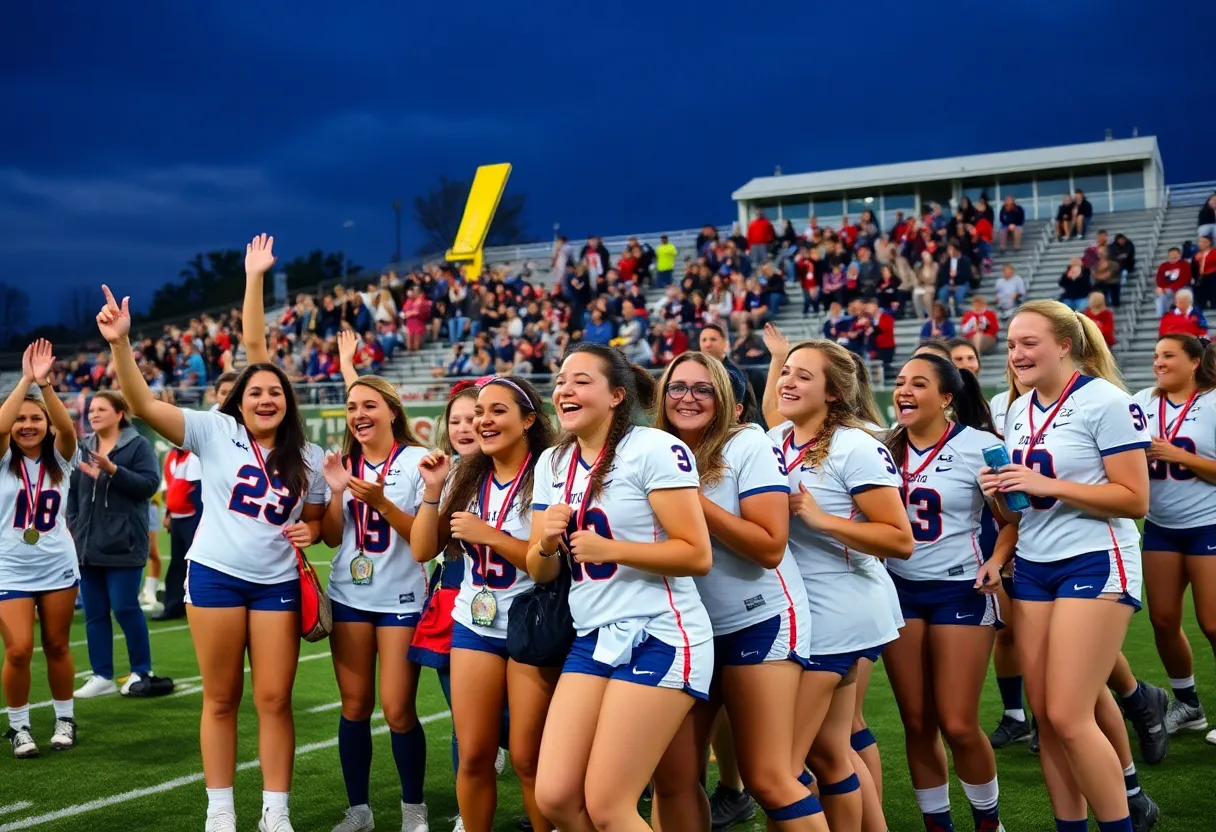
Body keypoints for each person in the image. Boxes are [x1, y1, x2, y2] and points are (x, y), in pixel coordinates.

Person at [96, 235, 331, 832]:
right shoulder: (211, 431)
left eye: (276, 391)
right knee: (222, 698)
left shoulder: (310, 455)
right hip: (217, 577)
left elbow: (321, 522)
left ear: (289, 402)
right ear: (238, 399)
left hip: (277, 583)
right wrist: (121, 344)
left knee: (275, 700)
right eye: (255, 390)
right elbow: (143, 404)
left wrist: (312, 528)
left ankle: (275, 811)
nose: (266, 396)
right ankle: (219, 809)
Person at [527, 343, 713, 832]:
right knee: (556, 797)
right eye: (561, 379)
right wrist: (546, 544)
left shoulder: (652, 448)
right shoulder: (551, 462)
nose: (564, 389)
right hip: (593, 637)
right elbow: (540, 570)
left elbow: (696, 553)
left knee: (609, 804)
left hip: (661, 634)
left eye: (580, 380)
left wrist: (614, 550)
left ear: (615, 396)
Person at [980, 299, 1150, 832]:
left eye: (1029, 342)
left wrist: (1045, 484)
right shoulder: (1016, 408)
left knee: (1070, 716)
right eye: (1010, 344)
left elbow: (1134, 499)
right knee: (1047, 723)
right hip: (1033, 564)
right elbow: (1021, 509)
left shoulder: (1105, 401)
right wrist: (999, 495)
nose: (1017, 353)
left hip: (1097, 559)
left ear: (1065, 345)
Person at [653, 353, 826, 832]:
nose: (688, 398)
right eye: (677, 387)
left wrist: (687, 500)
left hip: (760, 617)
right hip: (690, 628)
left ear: (726, 398)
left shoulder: (747, 443)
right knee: (672, 776)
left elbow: (770, 546)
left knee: (769, 776)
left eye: (703, 389)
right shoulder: (651, 450)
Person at [768, 340, 914, 832]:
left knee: (783, 766)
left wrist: (822, 519)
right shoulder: (776, 437)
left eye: (803, 376)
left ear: (833, 393)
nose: (788, 382)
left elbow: (899, 540)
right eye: (786, 372)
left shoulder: (857, 445)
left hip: (840, 614)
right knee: (831, 751)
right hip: (806, 612)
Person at [413, 376, 558, 832]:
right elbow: (422, 549)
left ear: (528, 420)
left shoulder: (548, 472)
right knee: (473, 754)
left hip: (529, 624)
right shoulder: (464, 472)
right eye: (479, 413)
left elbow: (543, 567)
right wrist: (433, 489)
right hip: (473, 624)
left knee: (527, 757)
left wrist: (489, 535)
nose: (483, 421)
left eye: (497, 411)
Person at [883, 353, 1005, 831]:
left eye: (918, 383)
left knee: (957, 721)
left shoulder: (982, 446)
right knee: (916, 722)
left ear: (947, 398)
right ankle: (939, 825)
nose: (904, 391)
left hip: (961, 589)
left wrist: (997, 561)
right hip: (899, 591)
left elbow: (1011, 520)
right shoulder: (880, 446)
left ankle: (988, 823)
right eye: (899, 383)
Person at [320, 332, 432, 832]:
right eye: (350, 408)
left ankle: (414, 810)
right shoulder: (342, 464)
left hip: (402, 598)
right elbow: (327, 538)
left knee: (398, 709)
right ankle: (359, 811)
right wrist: (335, 494)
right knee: (355, 706)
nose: (359, 414)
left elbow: (425, 541)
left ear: (392, 409)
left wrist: (383, 503)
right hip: (348, 595)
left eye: (369, 405)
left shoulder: (418, 461)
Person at [0, 340, 80, 757]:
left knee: (57, 645)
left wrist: (45, 386)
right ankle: (19, 726)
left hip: (56, 567)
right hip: (9, 568)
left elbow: (67, 430)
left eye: (36, 419)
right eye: (21, 419)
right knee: (17, 649)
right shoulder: (1, 458)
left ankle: (65, 717)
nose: (27, 425)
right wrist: (24, 382)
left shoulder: (61, 458)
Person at [1134, 335, 1216, 741]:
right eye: (1155, 356)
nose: (1158, 363)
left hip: (1208, 523)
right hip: (1161, 525)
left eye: (1168, 355)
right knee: (1163, 619)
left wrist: (1179, 455)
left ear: (1195, 361)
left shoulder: (1215, 401)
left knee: (1213, 622)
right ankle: (1189, 704)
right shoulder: (1141, 401)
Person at [68, 390, 161, 699]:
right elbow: (72, 492)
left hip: (124, 543)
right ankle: (102, 675)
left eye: (101, 409)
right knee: (94, 613)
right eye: (91, 410)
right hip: (87, 544)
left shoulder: (138, 445)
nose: (93, 414)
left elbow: (149, 485)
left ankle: (141, 670)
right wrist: (74, 523)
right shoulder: (84, 447)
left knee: (124, 607)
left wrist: (112, 471)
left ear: (120, 413)